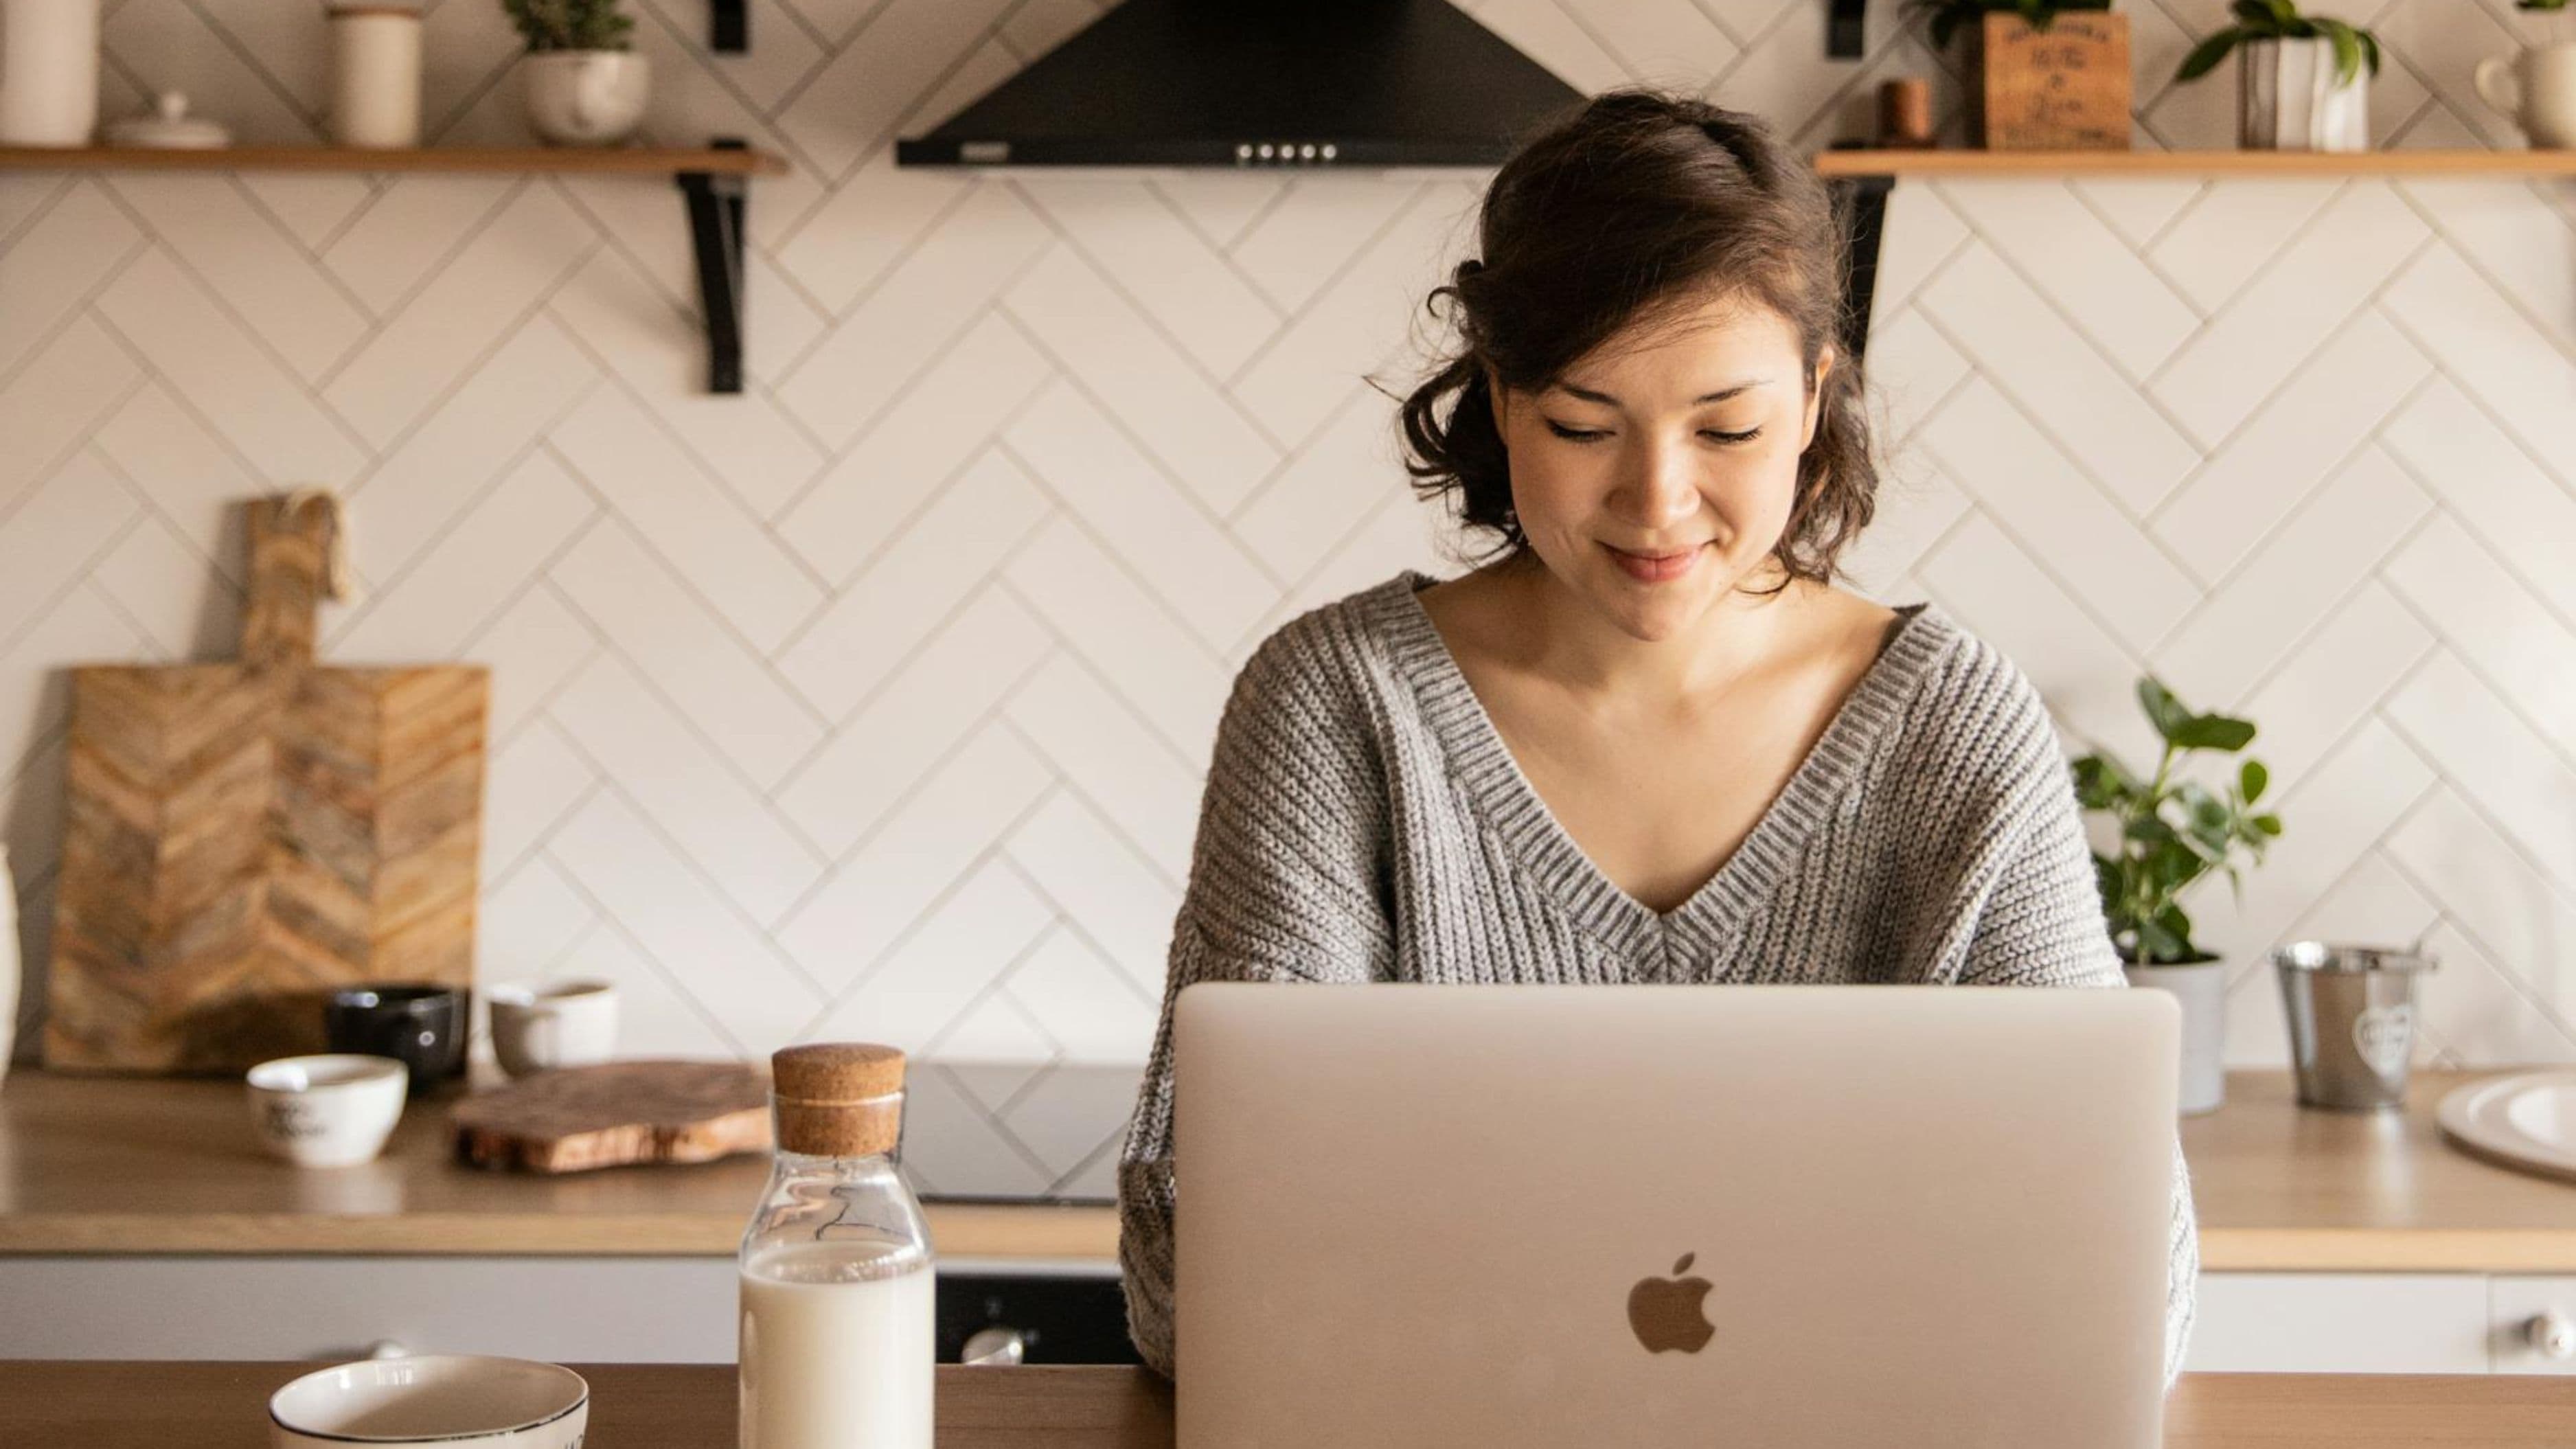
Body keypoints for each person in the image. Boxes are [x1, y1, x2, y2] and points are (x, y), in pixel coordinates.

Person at [1115, 87, 2197, 1390]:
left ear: (1812, 398)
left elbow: (2124, 1278)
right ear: (1500, 399)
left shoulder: (1953, 730)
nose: (1657, 499)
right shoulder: (1336, 710)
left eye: (1727, 427)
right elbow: (1192, 1282)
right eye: (1584, 425)